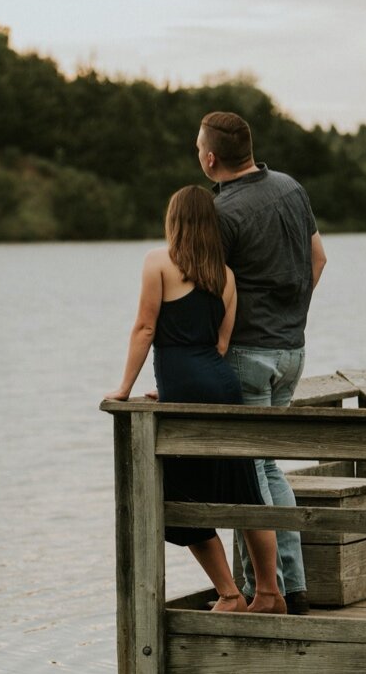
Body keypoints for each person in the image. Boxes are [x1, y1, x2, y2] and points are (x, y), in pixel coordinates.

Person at [107, 186, 286, 614]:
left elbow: (145, 330)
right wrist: (174, 388)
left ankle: (228, 594)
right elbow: (221, 345)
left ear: (174, 221)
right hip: (222, 387)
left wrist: (124, 389)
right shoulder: (225, 274)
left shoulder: (158, 262)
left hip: (185, 391)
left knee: (181, 499)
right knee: (245, 494)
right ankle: (269, 593)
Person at [198, 111, 327, 613]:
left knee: (251, 472)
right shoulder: (292, 188)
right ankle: (278, 586)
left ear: (210, 159)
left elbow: (213, 293)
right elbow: (318, 260)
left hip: (248, 353)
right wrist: (290, 317)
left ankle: (276, 590)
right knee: (266, 467)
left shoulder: (221, 213)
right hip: (292, 349)